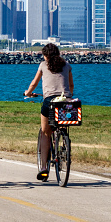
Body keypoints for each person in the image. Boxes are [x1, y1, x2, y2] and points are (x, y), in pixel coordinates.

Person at [24, 43, 74, 180]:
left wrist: (28, 93)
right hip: (65, 100)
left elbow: (34, 83)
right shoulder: (67, 65)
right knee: (62, 123)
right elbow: (70, 86)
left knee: (46, 132)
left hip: (50, 101)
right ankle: (63, 143)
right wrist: (67, 96)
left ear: (45, 55)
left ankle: (44, 167)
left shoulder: (43, 65)